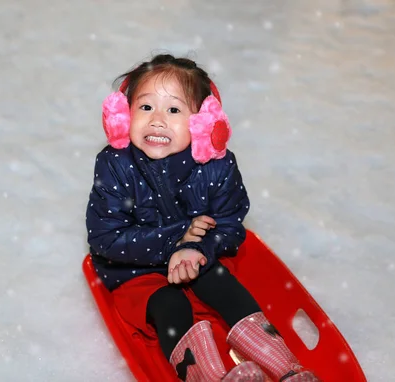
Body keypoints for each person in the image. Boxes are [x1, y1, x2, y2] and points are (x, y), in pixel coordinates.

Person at [86, 54, 319, 382]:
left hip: (201, 255)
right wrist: (177, 238)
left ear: (203, 124)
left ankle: (287, 370)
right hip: (134, 269)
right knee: (171, 305)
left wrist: (200, 248)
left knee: (221, 284)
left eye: (174, 110)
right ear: (123, 117)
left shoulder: (216, 165)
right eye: (146, 107)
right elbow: (105, 239)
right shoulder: (115, 164)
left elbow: (230, 224)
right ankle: (210, 378)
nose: (157, 121)